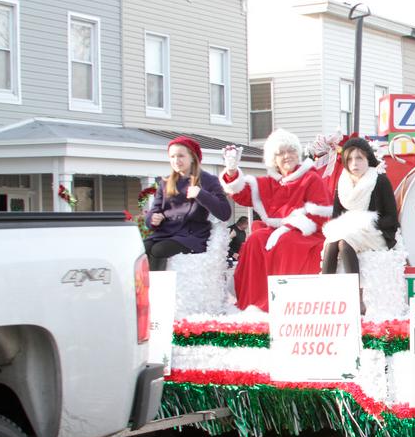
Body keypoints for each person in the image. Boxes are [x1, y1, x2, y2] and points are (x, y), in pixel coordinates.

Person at [221, 129, 333, 311]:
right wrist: (232, 171)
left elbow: (319, 214)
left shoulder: (311, 178)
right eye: (281, 153)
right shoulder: (271, 181)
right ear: (274, 158)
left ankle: (284, 303)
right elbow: (242, 194)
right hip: (276, 231)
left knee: (285, 242)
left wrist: (286, 228)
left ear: (297, 153)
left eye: (290, 151)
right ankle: (253, 304)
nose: (287, 156)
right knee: (255, 240)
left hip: (307, 233)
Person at [321, 137, 399, 313]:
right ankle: (325, 294)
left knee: (344, 241)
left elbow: (391, 218)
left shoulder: (379, 181)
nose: (354, 163)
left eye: (359, 158)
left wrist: (364, 221)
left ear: (368, 159)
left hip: (375, 233)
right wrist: (349, 224)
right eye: (349, 159)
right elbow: (336, 216)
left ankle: (356, 298)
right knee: (333, 242)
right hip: (349, 231)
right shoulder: (342, 183)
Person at [143, 137, 231, 271]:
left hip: (192, 235)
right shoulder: (166, 182)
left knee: (159, 250)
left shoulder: (208, 180)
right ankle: (141, 289)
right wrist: (153, 218)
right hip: (166, 232)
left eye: (181, 156)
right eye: (172, 156)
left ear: (192, 157)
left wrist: (201, 194)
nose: (176, 160)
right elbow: (154, 210)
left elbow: (225, 213)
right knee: (141, 249)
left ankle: (157, 290)